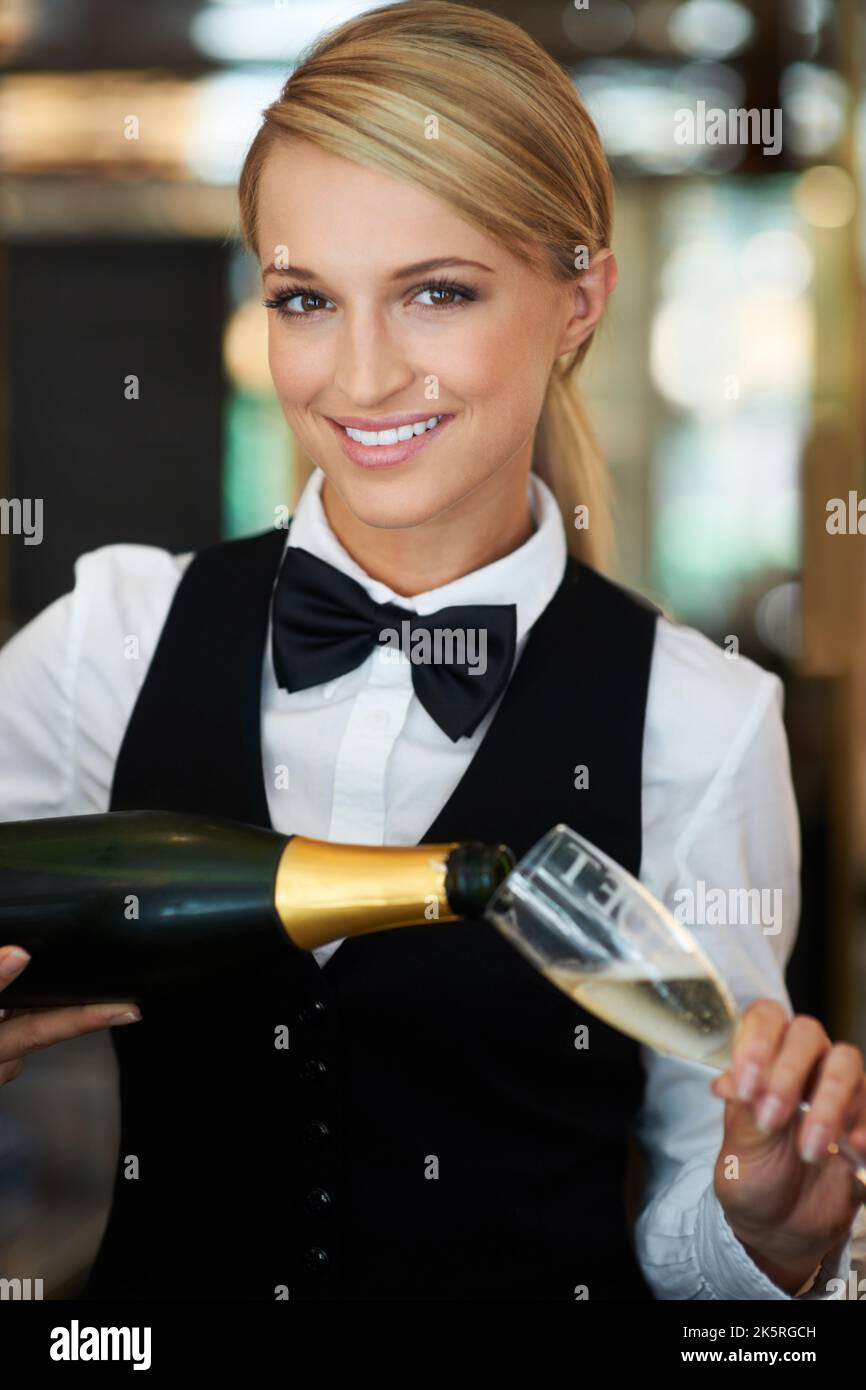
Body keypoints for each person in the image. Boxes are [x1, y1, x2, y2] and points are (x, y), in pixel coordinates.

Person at [1, 0, 864, 1301]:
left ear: (579, 299)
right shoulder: (110, 641)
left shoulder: (698, 720)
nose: (356, 376)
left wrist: (775, 1237)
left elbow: (698, 1237)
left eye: (435, 293)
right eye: (304, 298)